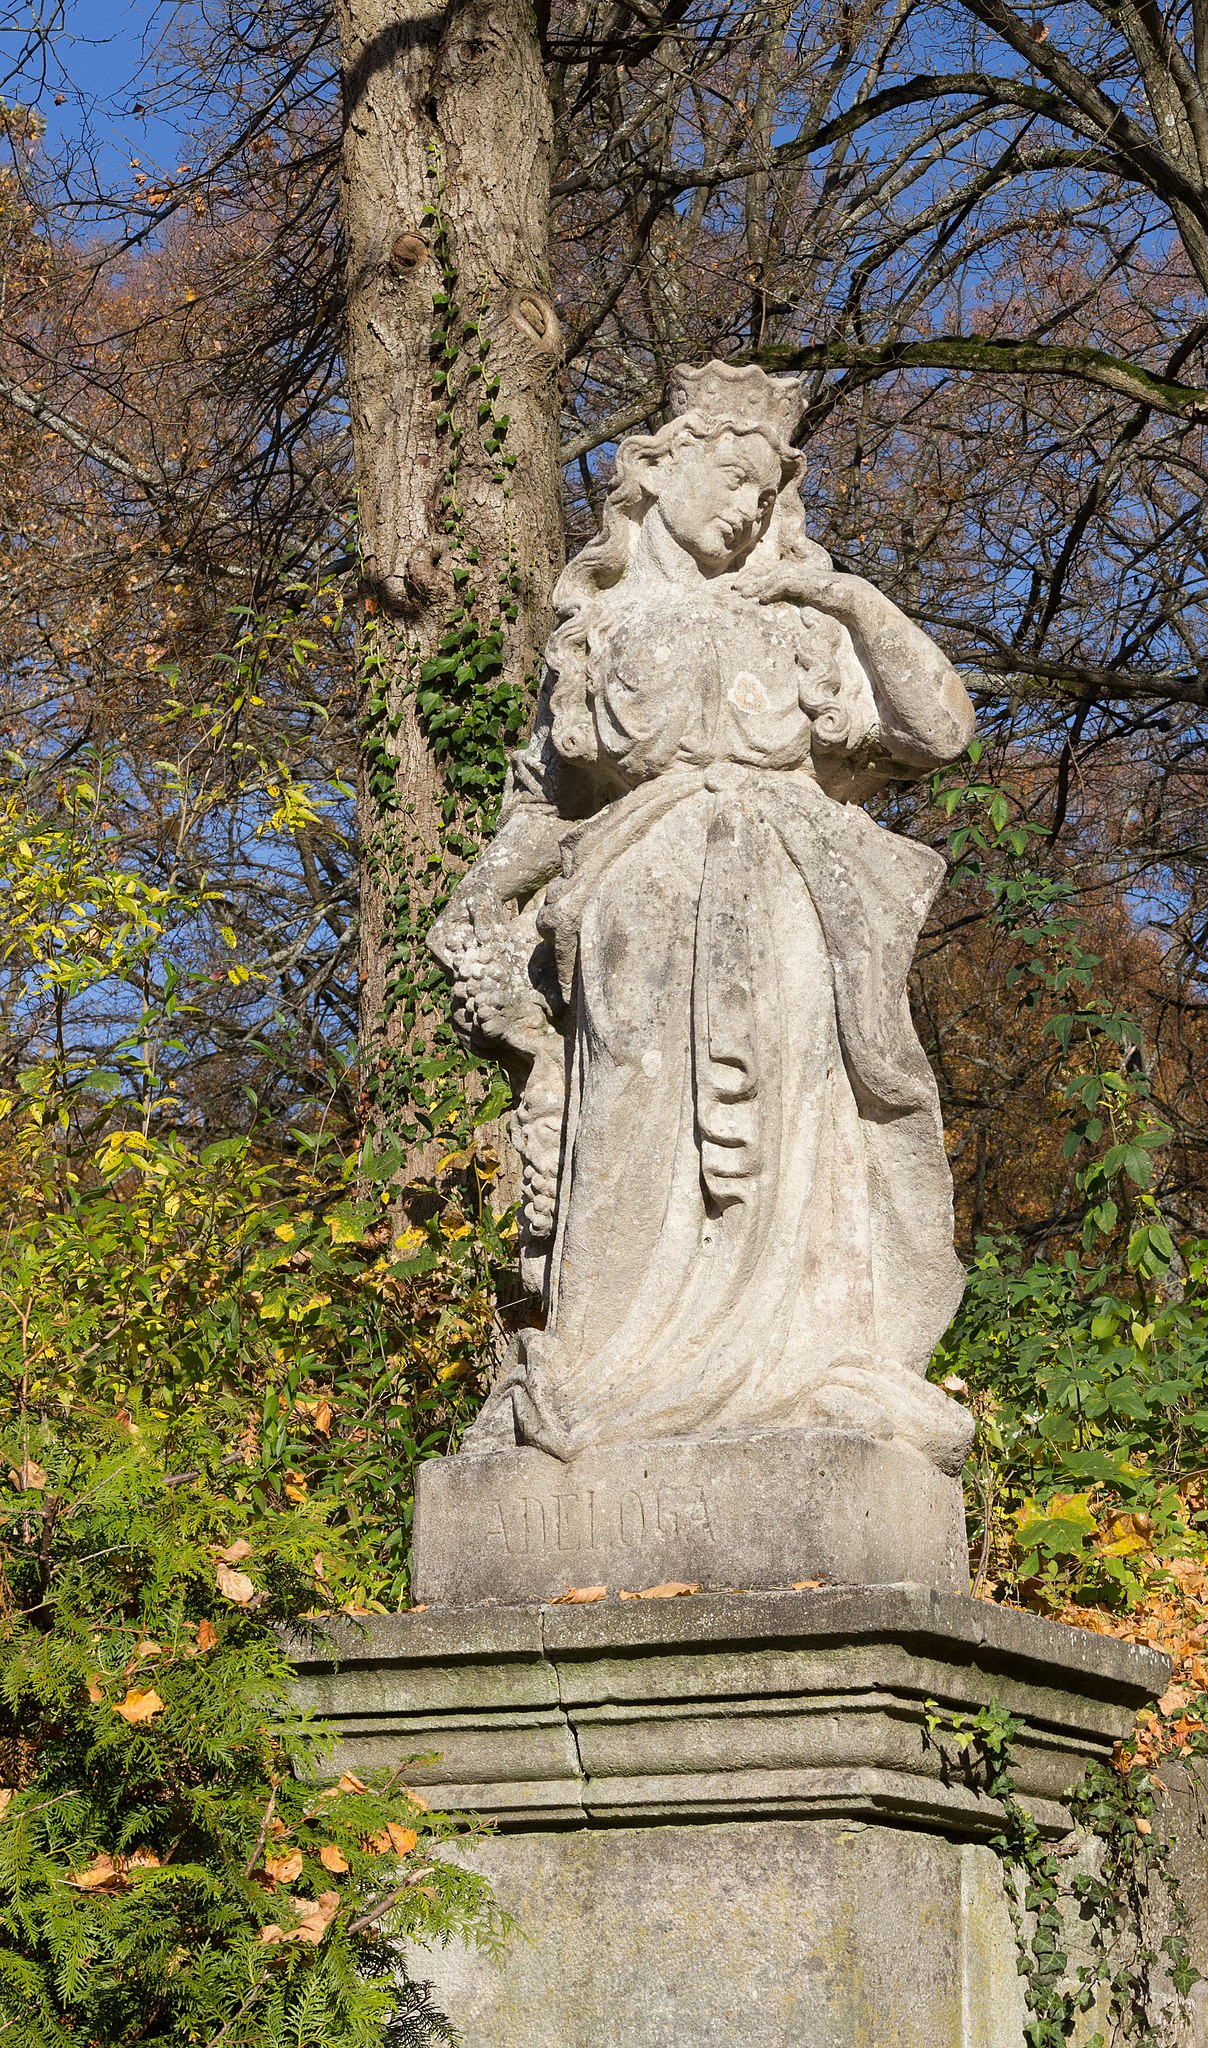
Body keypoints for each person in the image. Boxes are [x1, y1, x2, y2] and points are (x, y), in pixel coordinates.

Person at [428, 360, 977, 1470]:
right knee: (631, 1118)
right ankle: (607, 1368)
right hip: (634, 899)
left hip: (786, 894)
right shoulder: (598, 627)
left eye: (766, 495)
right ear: (659, 469)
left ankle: (794, 1365)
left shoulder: (805, 624)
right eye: (731, 478)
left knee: (791, 1120)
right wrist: (481, 893)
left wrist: (847, 599)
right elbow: (548, 803)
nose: (747, 507)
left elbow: (940, 732)